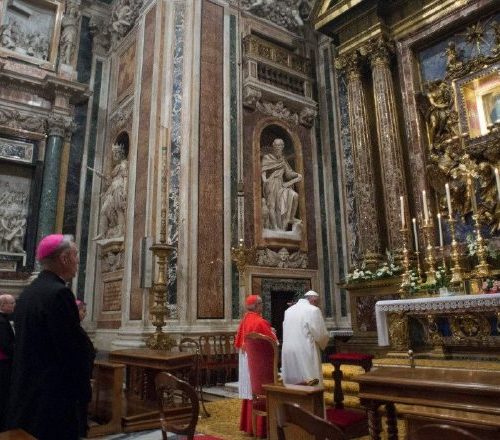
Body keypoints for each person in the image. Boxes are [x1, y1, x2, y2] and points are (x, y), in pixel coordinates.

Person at [7, 234, 94, 440]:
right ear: (64, 258)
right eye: (75, 255)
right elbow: (71, 348)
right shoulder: (58, 293)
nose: (78, 261)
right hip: (53, 397)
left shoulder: (28, 294)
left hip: (28, 392)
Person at [234, 294, 277, 436]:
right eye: (261, 303)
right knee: (261, 390)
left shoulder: (245, 320)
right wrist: (273, 333)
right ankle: (262, 427)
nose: (262, 306)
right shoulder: (260, 322)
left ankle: (249, 426)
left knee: (252, 392)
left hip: (247, 359)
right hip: (259, 364)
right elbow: (273, 344)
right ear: (257, 306)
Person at [281, 290, 329, 386]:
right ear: (313, 300)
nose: (317, 305)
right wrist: (324, 343)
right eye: (317, 302)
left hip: (288, 351)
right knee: (310, 380)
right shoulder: (313, 310)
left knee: (293, 382)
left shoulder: (288, 311)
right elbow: (320, 334)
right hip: (305, 351)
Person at [261, 138, 302, 231]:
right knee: (271, 205)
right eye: (276, 145)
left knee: (294, 196)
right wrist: (265, 180)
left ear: (283, 147)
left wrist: (297, 175)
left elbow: (288, 174)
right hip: (271, 183)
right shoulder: (267, 157)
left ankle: (291, 218)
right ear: (273, 146)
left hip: (281, 184)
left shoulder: (283, 160)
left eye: (280, 145)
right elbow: (263, 170)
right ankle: (275, 228)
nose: (278, 147)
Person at [92, 142, 128, 240]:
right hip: (112, 189)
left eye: (116, 154)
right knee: (104, 210)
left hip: (119, 188)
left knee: (118, 208)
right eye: (114, 154)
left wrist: (125, 190)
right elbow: (110, 181)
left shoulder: (124, 164)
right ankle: (102, 233)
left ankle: (121, 230)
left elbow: (125, 177)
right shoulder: (116, 167)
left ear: (121, 154)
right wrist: (103, 177)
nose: (114, 156)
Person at [75, 300, 96, 438]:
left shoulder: (76, 327)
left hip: (82, 373)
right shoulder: (73, 328)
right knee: (79, 404)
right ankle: (79, 430)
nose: (85, 314)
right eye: (83, 311)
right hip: (79, 375)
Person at [0, 294, 15, 430]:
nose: (14, 305)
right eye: (12, 303)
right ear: (3, 305)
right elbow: (5, 345)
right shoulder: (2, 321)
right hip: (3, 364)